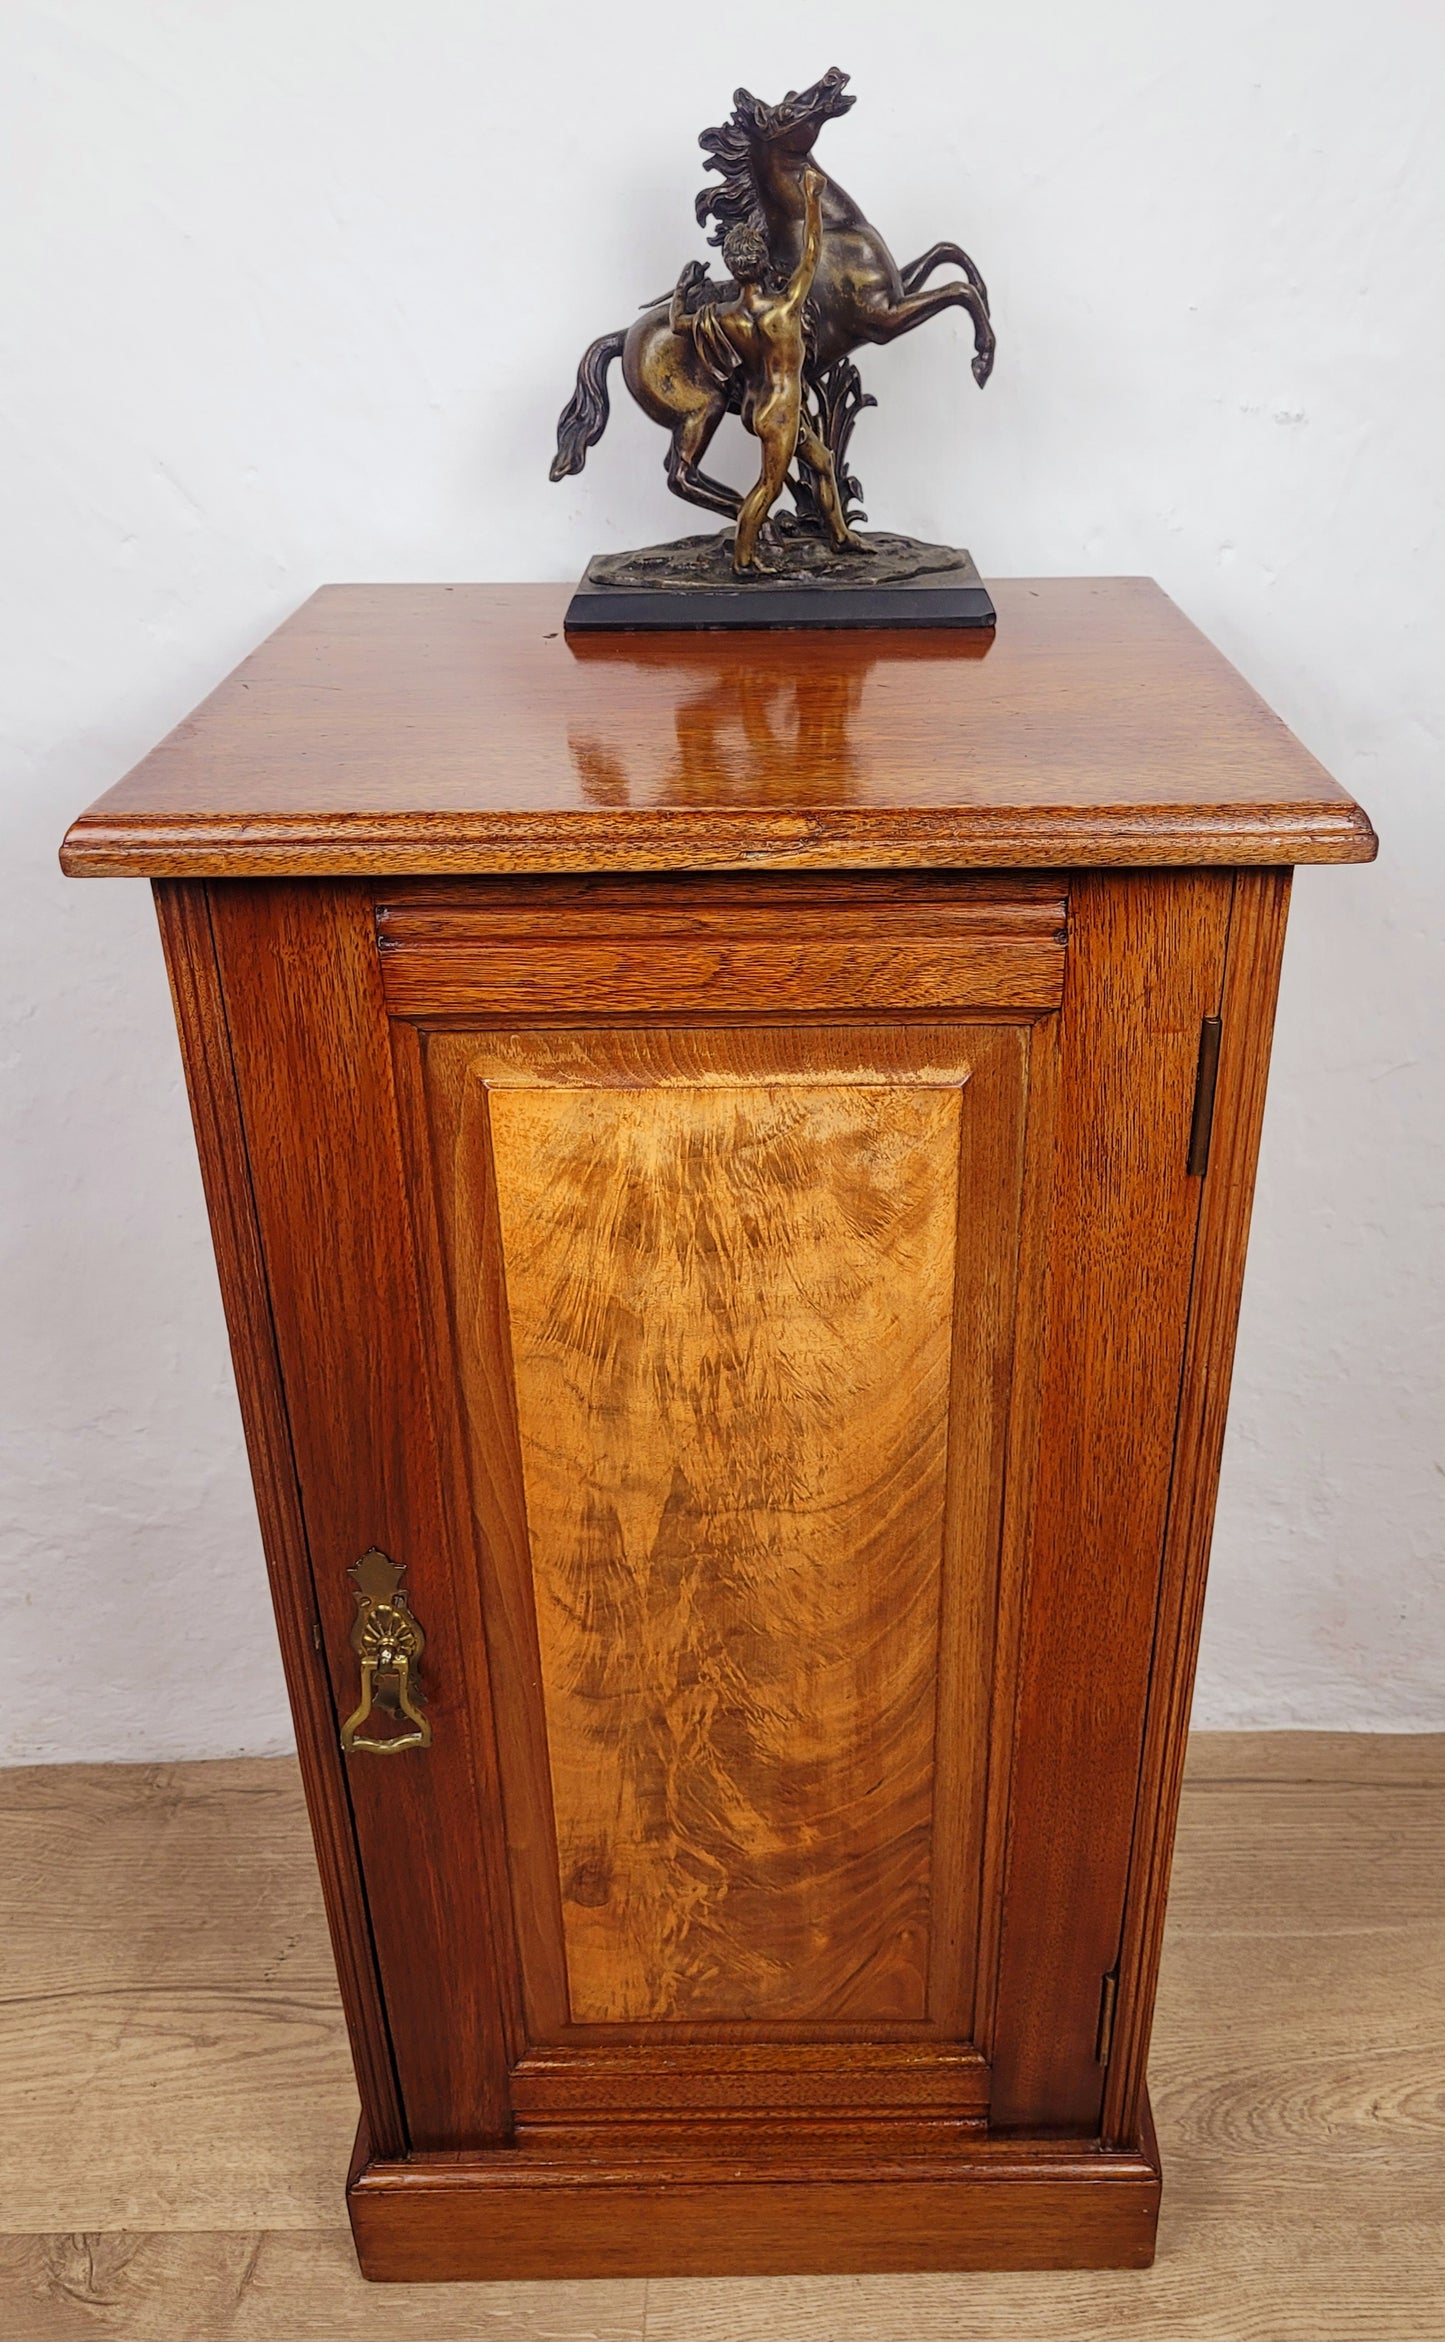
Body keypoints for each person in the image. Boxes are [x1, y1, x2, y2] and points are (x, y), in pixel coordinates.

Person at [670, 165, 865, 574]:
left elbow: (677, 323)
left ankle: (840, 535)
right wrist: (811, 198)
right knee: (769, 486)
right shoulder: (786, 307)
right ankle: (743, 559)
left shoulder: (726, 317)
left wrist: (682, 289)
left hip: (761, 405)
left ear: (734, 269)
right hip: (781, 412)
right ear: (763, 265)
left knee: (823, 462)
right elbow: (812, 250)